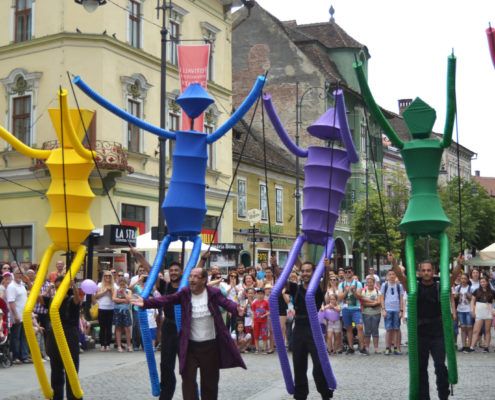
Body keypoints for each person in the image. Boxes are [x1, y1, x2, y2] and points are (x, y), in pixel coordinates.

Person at [132, 267, 245, 400]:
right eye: (190, 276)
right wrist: (145, 303)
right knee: (188, 382)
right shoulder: (185, 293)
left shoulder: (213, 293)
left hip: (210, 346)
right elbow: (167, 299)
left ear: (204, 280)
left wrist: (237, 309)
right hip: (190, 347)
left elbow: (226, 303)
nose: (192, 279)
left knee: (210, 385)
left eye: (196, 277)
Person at [390, 254, 456, 400]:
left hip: (438, 332)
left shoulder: (440, 286)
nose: (426, 273)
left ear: (433, 271)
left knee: (440, 366)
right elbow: (401, 278)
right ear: (419, 272)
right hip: (421, 333)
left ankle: (443, 396)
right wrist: (394, 263)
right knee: (421, 369)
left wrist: (459, 266)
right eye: (423, 270)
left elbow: (451, 281)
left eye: (429, 270)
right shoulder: (415, 288)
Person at [288, 260, 334, 400]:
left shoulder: (318, 288)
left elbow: (325, 282)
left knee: (319, 364)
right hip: (299, 329)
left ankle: (325, 393)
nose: (305, 273)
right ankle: (300, 396)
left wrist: (326, 269)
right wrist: (274, 266)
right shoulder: (296, 288)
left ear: (313, 273)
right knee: (299, 365)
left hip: (313, 328)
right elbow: (281, 279)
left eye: (308, 271)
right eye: (303, 271)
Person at [43, 277, 81, 400]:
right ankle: (57, 396)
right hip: (54, 337)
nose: (59, 289)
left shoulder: (71, 300)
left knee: (72, 369)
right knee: (56, 370)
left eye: (61, 287)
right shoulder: (52, 301)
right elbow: (39, 298)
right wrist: (48, 288)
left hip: (70, 336)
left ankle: (73, 396)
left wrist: (73, 286)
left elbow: (77, 299)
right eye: (57, 287)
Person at [337, 266, 366, 355]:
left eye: (349, 272)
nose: (347, 273)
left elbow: (359, 297)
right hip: (345, 309)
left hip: (356, 308)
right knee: (348, 328)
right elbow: (339, 298)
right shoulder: (341, 284)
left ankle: (362, 347)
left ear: (352, 273)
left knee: (360, 327)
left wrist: (353, 291)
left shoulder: (358, 283)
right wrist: (346, 291)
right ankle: (351, 347)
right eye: (345, 272)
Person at [7, 267, 30, 364]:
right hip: (17, 315)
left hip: (24, 315)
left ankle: (24, 356)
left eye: (21, 273)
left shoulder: (22, 285)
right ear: (13, 274)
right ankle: (16, 356)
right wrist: (16, 315)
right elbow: (11, 302)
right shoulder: (12, 286)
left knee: (24, 336)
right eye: (17, 273)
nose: (19, 275)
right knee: (16, 337)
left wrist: (28, 281)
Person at [468, 276, 495, 352]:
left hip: (488, 311)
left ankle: (486, 347)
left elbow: (494, 302)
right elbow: (472, 301)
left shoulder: (492, 291)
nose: (482, 283)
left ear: (487, 282)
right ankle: (472, 347)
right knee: (476, 330)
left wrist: (494, 309)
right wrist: (472, 310)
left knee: (487, 330)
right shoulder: (476, 291)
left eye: (484, 281)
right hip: (479, 311)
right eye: (481, 282)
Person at [381, 270, 404, 355]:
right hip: (388, 309)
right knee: (388, 329)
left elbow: (401, 299)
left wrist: (401, 310)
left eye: (393, 274)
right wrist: (383, 309)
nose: (391, 276)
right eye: (390, 274)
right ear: (387, 276)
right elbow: (382, 298)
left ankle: (396, 347)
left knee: (397, 329)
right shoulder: (384, 285)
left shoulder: (399, 286)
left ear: (395, 275)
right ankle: (387, 347)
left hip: (396, 309)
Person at [361, 276, 382, 354]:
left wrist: (369, 303)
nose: (370, 284)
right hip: (366, 313)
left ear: (374, 283)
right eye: (368, 282)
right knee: (367, 331)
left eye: (371, 282)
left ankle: (376, 348)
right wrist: (373, 303)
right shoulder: (364, 291)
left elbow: (379, 302)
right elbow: (363, 302)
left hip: (376, 313)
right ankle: (367, 348)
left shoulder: (377, 291)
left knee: (375, 331)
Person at [94, 271, 115, 351]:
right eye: (106, 276)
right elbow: (96, 296)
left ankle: (108, 344)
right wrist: (105, 291)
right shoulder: (99, 285)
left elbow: (115, 297)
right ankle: (102, 344)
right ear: (103, 277)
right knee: (102, 327)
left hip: (110, 308)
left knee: (109, 327)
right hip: (101, 307)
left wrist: (111, 291)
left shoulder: (114, 285)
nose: (107, 278)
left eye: (109, 276)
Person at [453, 273, 474, 352]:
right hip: (460, 310)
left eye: (465, 278)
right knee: (463, 328)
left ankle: (469, 346)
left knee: (469, 327)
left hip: (468, 310)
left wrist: (469, 296)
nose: (463, 280)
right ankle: (464, 345)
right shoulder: (458, 287)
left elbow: (473, 299)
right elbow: (454, 297)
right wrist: (457, 295)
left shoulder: (470, 288)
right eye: (462, 278)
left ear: (468, 280)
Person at [112, 277, 132, 352]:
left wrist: (123, 293)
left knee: (127, 328)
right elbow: (114, 299)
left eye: (123, 282)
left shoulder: (128, 291)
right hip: (117, 310)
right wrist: (124, 300)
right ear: (118, 283)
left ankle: (129, 345)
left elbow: (129, 300)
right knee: (118, 328)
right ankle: (119, 346)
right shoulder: (116, 290)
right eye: (120, 282)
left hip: (126, 310)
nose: (122, 283)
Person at [252, 287, 270, 354]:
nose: (260, 295)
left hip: (264, 322)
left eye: (262, 294)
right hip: (256, 321)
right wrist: (252, 322)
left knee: (264, 334)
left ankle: (264, 349)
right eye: (259, 294)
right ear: (256, 294)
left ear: (264, 295)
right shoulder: (254, 303)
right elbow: (253, 313)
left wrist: (264, 315)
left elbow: (269, 311)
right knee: (256, 335)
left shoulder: (266, 302)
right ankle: (257, 349)